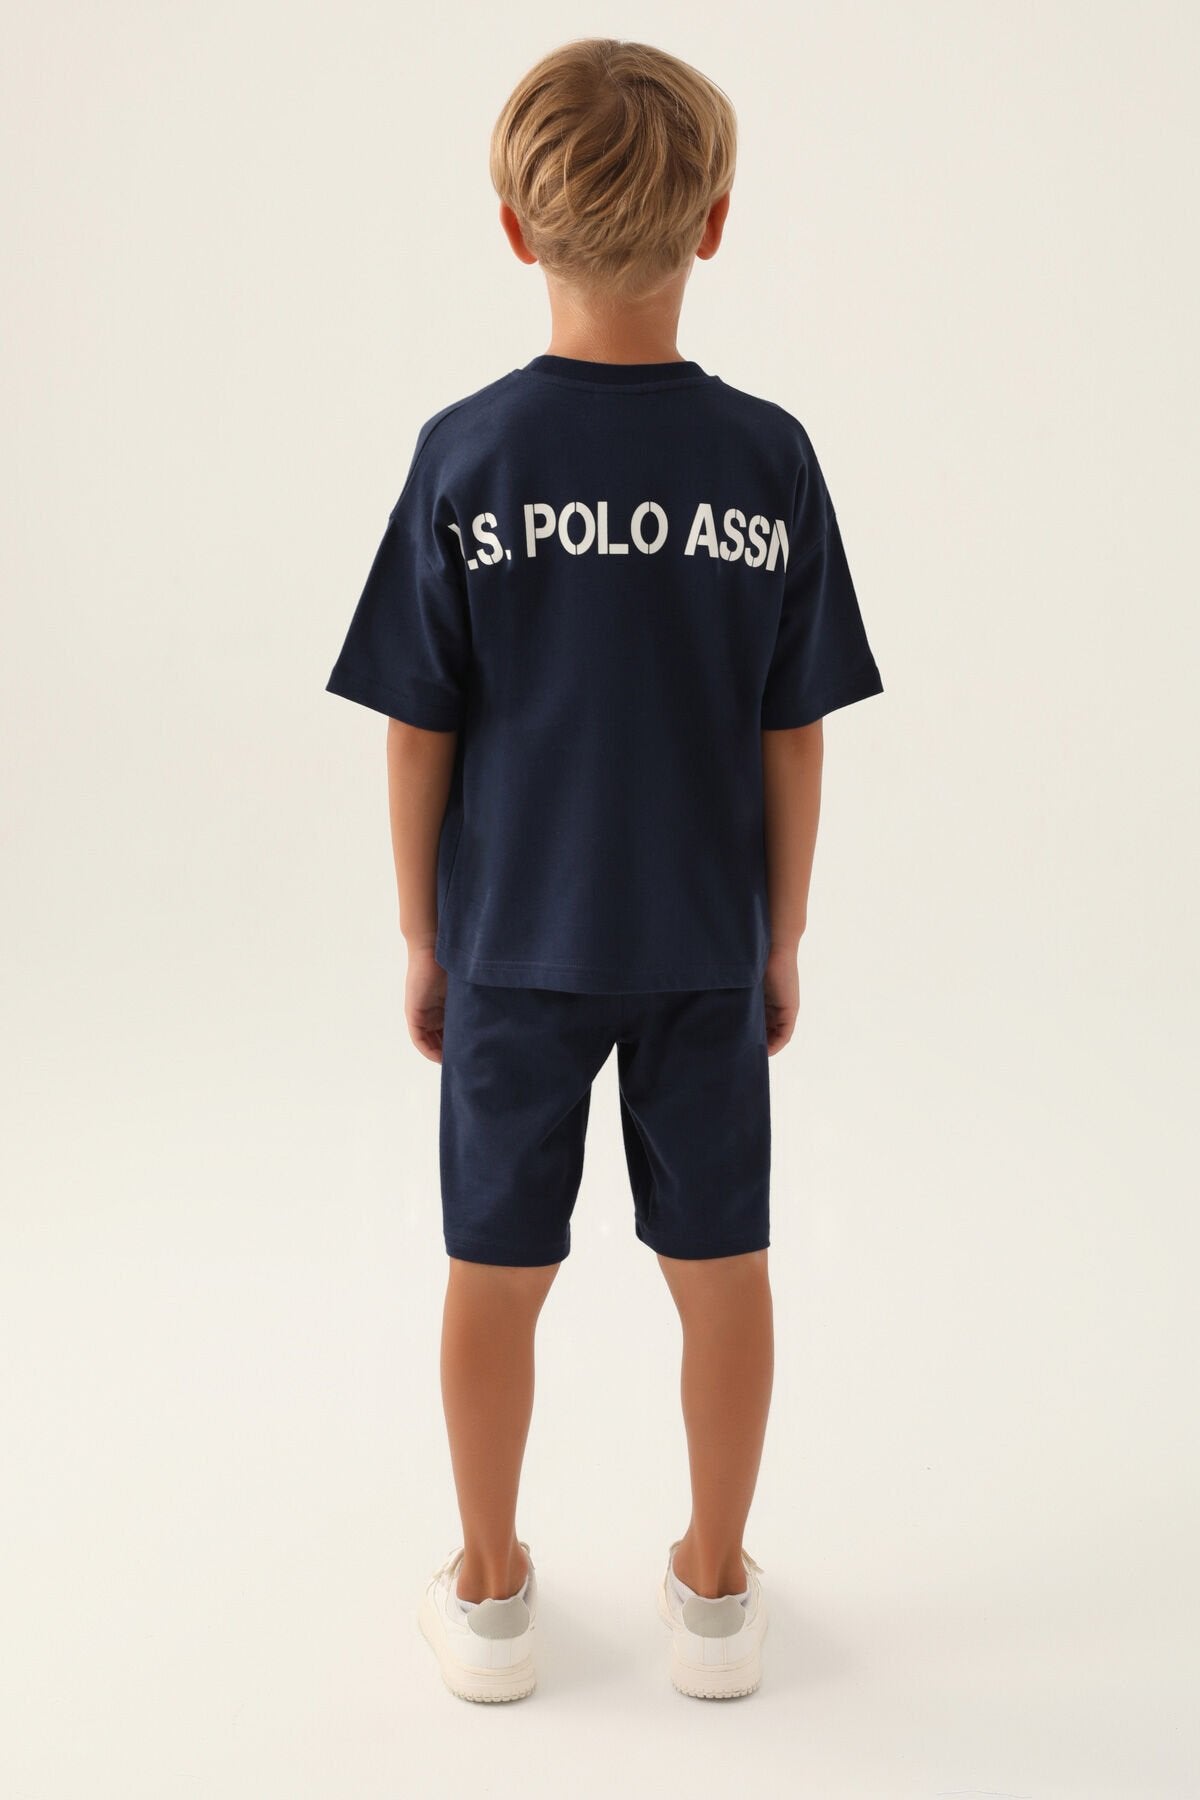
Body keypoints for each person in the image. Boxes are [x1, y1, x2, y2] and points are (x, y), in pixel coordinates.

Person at [325, 37, 883, 1704]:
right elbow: (796, 733)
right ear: (716, 222)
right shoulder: (768, 462)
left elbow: (417, 728)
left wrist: (423, 934)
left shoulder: (468, 454)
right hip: (704, 942)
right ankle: (712, 1595)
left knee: (495, 1271)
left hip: (514, 943)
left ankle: (491, 1593)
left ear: (514, 229)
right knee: (724, 1270)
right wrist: (782, 934)